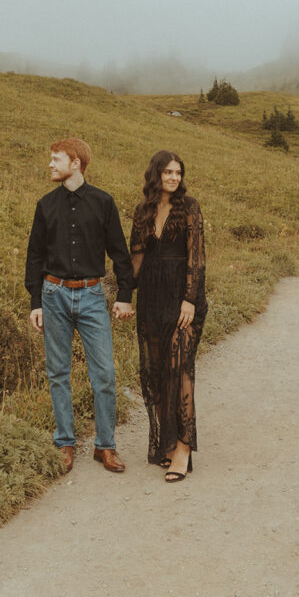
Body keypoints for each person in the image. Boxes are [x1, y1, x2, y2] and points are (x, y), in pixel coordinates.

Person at [25, 138, 134, 474]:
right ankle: (64, 443)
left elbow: (119, 252)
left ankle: (105, 447)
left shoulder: (103, 202)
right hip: (53, 295)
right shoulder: (45, 205)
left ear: (76, 163)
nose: (50, 165)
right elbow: (35, 256)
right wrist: (35, 302)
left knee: (104, 373)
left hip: (90, 296)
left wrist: (125, 296)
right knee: (58, 373)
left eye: (56, 159)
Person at [130, 150, 207, 482]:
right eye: (168, 172)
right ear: (156, 175)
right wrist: (121, 293)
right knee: (158, 372)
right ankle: (167, 442)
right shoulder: (143, 210)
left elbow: (197, 256)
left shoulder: (189, 207)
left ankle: (184, 449)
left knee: (180, 369)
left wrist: (189, 300)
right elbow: (136, 257)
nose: (174, 177)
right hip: (151, 297)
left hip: (183, 300)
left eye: (178, 172)